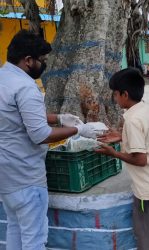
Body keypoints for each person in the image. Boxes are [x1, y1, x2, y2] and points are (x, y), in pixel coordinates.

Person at [0, 30, 98, 250]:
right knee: (34, 240)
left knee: (14, 230)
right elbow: (40, 135)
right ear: (28, 60)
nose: (44, 65)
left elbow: (18, 116)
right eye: (42, 61)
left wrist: (58, 118)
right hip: (26, 177)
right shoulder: (25, 87)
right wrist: (77, 130)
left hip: (6, 177)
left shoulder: (3, 79)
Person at [95, 68, 149, 249]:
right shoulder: (146, 108)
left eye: (115, 94)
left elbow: (141, 159)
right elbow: (148, 137)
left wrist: (113, 153)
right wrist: (122, 136)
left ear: (125, 94)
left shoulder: (132, 120)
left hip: (148, 189)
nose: (114, 99)